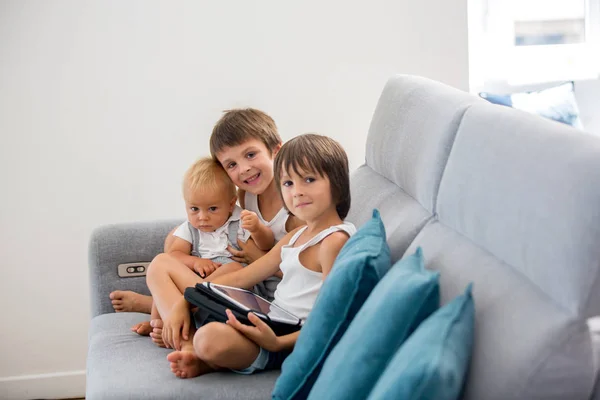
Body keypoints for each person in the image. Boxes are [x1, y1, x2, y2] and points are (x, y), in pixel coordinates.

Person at [148, 133, 355, 378]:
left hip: (289, 339)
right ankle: (204, 356)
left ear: (338, 183)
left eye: (309, 179)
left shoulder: (334, 241)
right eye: (288, 183)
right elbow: (244, 277)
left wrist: (278, 343)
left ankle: (205, 353)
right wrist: (188, 298)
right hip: (269, 318)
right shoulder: (298, 234)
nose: (297, 192)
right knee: (165, 271)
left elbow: (334, 316)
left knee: (208, 339)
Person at [132, 157, 275, 338]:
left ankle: (175, 317)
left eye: (212, 209)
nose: (202, 217)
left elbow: (267, 245)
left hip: (235, 292)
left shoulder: (239, 220)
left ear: (231, 204)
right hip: (198, 289)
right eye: (194, 209)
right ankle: (161, 324)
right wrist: (195, 261)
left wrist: (257, 229)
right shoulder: (190, 228)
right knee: (161, 264)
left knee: (233, 267)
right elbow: (174, 254)